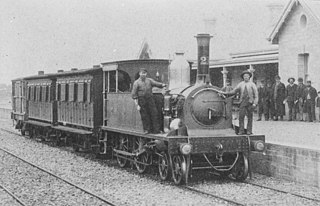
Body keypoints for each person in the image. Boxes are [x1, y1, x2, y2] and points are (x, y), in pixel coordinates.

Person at [220, 70, 258, 135]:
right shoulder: (241, 84)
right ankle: (241, 131)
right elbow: (234, 91)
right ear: (243, 77)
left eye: (247, 76)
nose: (246, 77)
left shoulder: (252, 84)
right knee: (241, 117)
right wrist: (225, 93)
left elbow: (256, 95)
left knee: (250, 117)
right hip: (242, 102)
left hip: (250, 103)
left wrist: (255, 103)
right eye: (244, 76)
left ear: (249, 77)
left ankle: (249, 131)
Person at [131, 68, 166, 134]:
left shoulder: (149, 80)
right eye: (142, 73)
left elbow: (156, 84)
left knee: (154, 113)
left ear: (146, 74)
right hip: (142, 100)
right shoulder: (136, 83)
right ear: (139, 74)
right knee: (145, 115)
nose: (143, 75)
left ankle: (156, 130)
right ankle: (147, 130)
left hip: (150, 99)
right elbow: (134, 94)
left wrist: (162, 85)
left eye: (144, 73)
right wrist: (137, 105)